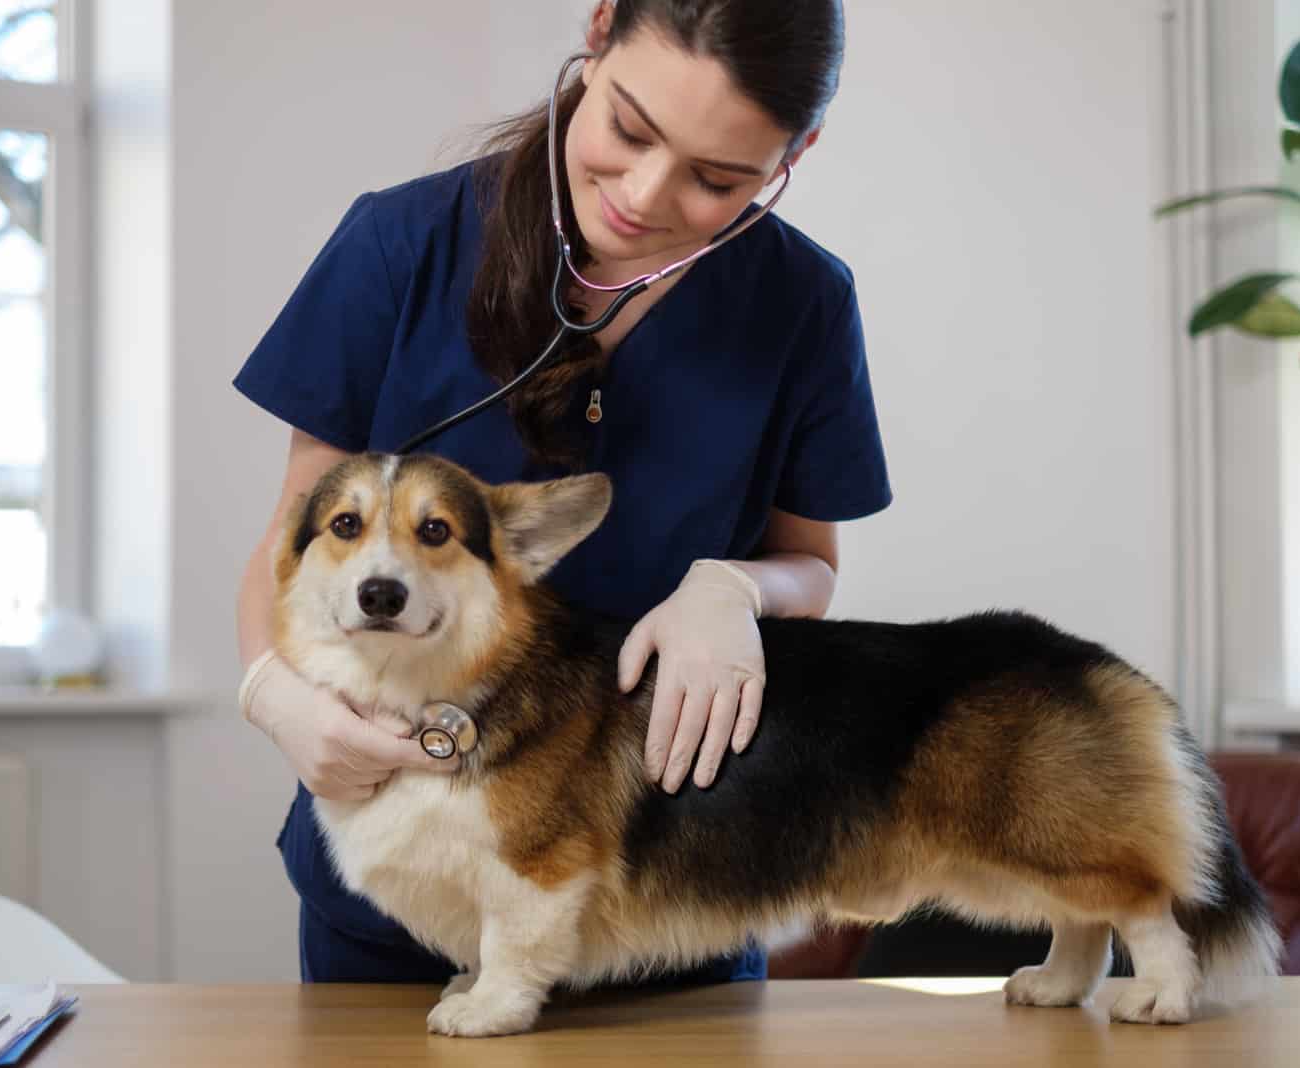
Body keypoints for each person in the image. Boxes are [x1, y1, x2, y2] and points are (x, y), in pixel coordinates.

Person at [233, 0, 890, 985]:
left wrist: (737, 591)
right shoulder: (400, 244)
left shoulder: (802, 305)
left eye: (717, 180)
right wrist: (271, 694)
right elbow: (299, 532)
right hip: (405, 884)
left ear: (797, 154)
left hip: (674, 889)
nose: (644, 194)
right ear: (597, 31)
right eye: (628, 128)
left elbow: (812, 565)